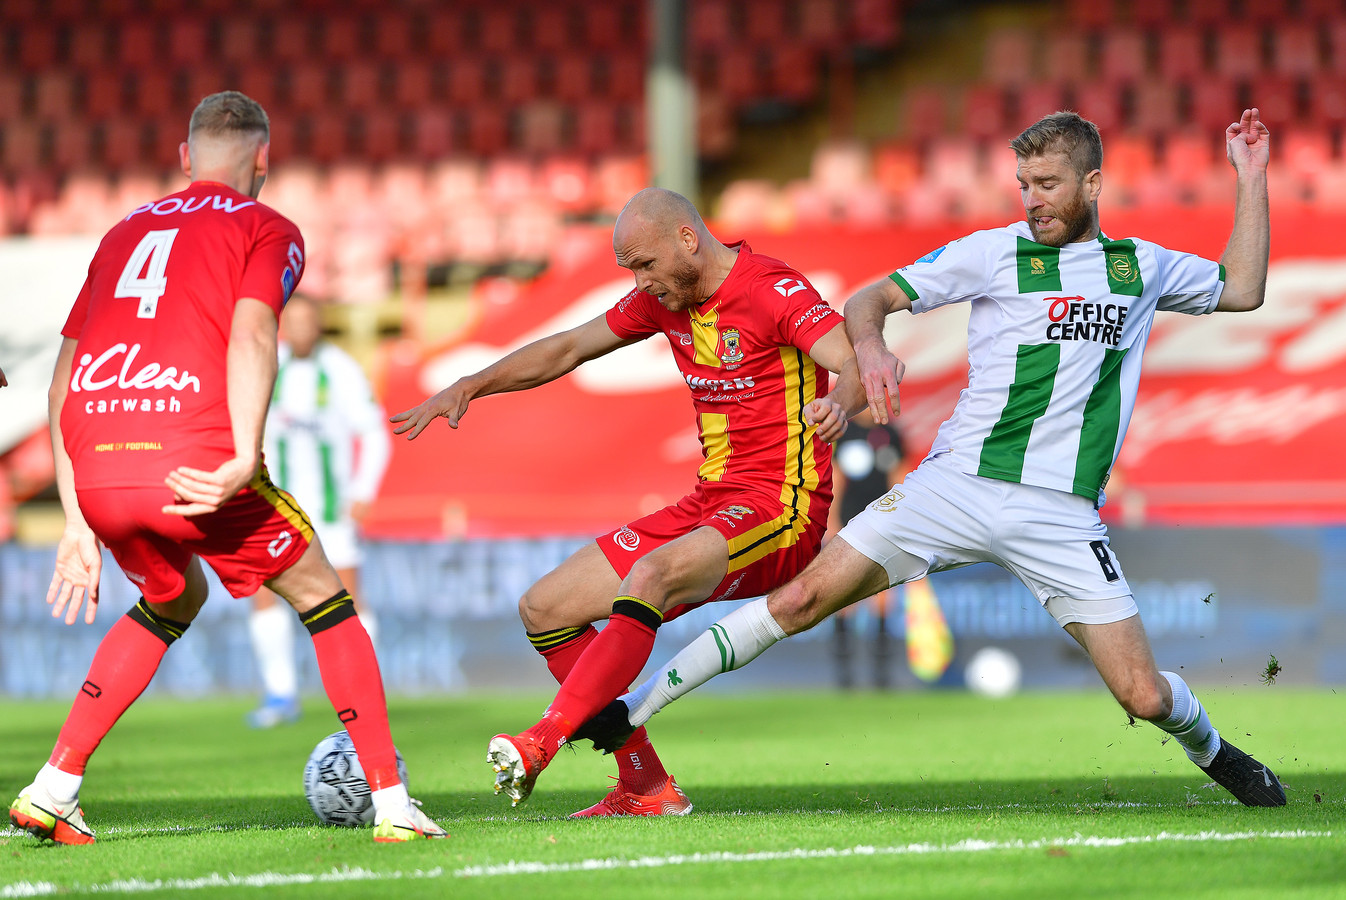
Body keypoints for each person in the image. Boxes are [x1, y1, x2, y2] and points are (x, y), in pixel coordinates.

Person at [582, 109, 1286, 808]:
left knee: (1143, 693)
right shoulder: (993, 252)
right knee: (800, 598)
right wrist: (873, 346)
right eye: (1023, 184)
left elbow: (1244, 289)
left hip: (1059, 513)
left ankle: (1217, 753)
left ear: (1094, 183)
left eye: (1047, 183)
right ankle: (636, 710)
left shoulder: (1141, 267)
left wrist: (1250, 176)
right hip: (954, 486)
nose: (1032, 199)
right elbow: (870, 298)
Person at [7, 91, 445, 845]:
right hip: (192, 460)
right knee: (324, 598)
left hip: (101, 466)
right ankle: (392, 802)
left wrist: (76, 517)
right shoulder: (265, 226)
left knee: (171, 597)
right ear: (263, 161)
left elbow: (61, 377)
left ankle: (54, 786)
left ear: (184, 159)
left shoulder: (119, 233)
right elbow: (252, 331)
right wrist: (243, 452)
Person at [392, 187, 863, 815]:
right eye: (631, 270)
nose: (641, 282)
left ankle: (541, 742)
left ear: (686, 239)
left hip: (783, 509)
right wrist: (472, 384)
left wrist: (840, 402)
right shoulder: (664, 301)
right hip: (709, 504)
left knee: (649, 575)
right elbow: (566, 348)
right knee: (545, 607)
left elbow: (851, 359)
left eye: (644, 264)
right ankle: (644, 784)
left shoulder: (772, 290)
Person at [245, 293, 392, 728]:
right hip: (277, 507)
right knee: (264, 595)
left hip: (332, 508)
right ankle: (280, 694)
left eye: (309, 320)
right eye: (292, 320)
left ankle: (364, 690)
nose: (300, 328)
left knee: (348, 595)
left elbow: (376, 434)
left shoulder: (341, 369)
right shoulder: (269, 364)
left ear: (320, 324)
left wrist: (363, 490)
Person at [829, 412, 952, 688]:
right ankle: (844, 675)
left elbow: (900, 479)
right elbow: (835, 479)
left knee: (883, 595)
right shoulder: (844, 433)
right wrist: (832, 521)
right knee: (844, 599)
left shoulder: (891, 434)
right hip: (849, 524)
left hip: (882, 525)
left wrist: (902, 523)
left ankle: (880, 674)